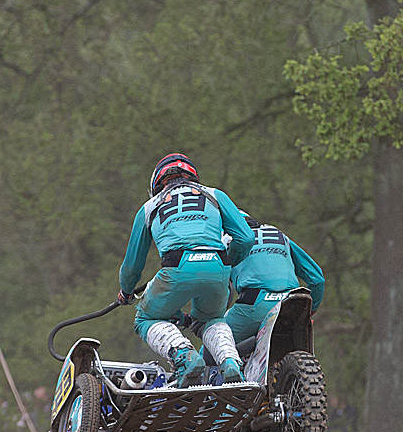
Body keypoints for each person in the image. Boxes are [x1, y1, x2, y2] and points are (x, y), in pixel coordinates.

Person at [118, 153, 255, 386]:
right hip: (217, 266)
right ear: (194, 177)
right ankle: (231, 361)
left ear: (157, 183)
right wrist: (226, 263)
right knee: (210, 319)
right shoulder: (215, 195)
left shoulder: (149, 207)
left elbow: (133, 266)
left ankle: (184, 356)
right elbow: (246, 237)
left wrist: (127, 291)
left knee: (145, 318)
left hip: (177, 267)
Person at [222, 210, 325, 343]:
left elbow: (219, 292)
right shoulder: (279, 235)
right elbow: (317, 279)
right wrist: (309, 312)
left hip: (254, 305)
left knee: (213, 345)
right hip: (292, 304)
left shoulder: (225, 242)